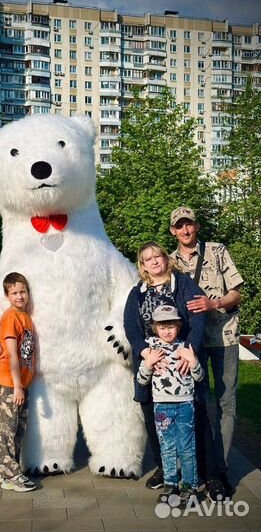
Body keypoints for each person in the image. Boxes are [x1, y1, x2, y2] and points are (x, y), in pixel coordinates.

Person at [170, 206, 244, 498]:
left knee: (226, 404)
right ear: (173, 231)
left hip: (224, 336)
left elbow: (237, 291)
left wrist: (213, 304)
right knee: (196, 403)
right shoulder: (170, 261)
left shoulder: (216, 251)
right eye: (180, 226)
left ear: (196, 226)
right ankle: (201, 465)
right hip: (193, 343)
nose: (185, 231)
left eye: (189, 225)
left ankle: (221, 470)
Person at [123, 241, 206, 493]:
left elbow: (197, 317)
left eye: (158, 256)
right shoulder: (137, 292)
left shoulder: (182, 284)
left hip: (181, 365)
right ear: (143, 265)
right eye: (148, 259)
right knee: (154, 421)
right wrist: (146, 352)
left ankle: (195, 474)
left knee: (190, 424)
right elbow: (130, 325)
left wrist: (188, 350)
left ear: (164, 259)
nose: (155, 261)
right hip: (152, 365)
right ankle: (165, 471)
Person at [137, 304, 204, 508]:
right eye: (162, 326)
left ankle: (190, 487)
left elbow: (199, 377)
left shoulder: (186, 348)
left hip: (184, 405)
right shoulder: (151, 351)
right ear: (155, 328)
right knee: (167, 448)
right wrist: (148, 364)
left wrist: (193, 362)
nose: (167, 331)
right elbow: (141, 380)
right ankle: (170, 484)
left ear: (178, 326)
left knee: (186, 447)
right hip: (162, 407)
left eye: (171, 326)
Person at [0, 272, 36, 492]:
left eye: (23, 291)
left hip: (21, 384)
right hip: (8, 383)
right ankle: (10, 475)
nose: (20, 296)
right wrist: (18, 386)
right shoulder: (11, 317)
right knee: (6, 431)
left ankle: (9, 472)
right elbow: (12, 355)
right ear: (7, 295)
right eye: (15, 293)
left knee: (18, 430)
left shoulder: (25, 316)